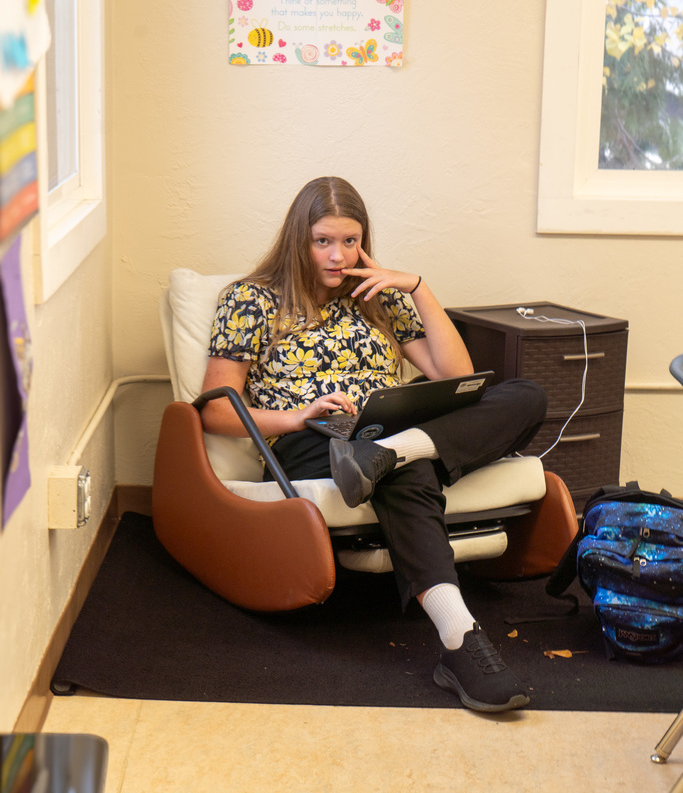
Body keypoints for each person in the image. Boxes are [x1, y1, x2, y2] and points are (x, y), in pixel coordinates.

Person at [200, 177, 548, 713]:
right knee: (395, 462)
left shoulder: (382, 298)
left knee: (526, 395)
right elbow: (216, 407)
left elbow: (456, 377)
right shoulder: (251, 300)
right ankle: (460, 637)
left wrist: (417, 288)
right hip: (317, 439)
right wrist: (297, 417)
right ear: (299, 239)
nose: (338, 256)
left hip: (390, 425)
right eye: (323, 241)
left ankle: (402, 447)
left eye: (350, 241)